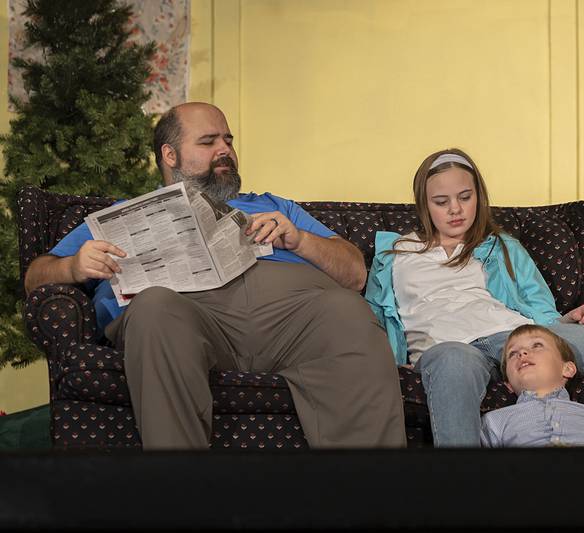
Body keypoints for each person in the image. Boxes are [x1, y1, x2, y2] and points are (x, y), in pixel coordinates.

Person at [24, 102, 406, 449]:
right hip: (188, 318)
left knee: (346, 311)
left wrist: (300, 239)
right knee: (155, 308)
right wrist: (72, 267)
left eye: (228, 140)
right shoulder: (125, 216)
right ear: (170, 155)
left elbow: (355, 274)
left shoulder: (275, 207)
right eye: (208, 142)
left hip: (292, 323)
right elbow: (35, 277)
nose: (224, 149)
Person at [365, 148, 584, 447]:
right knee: (454, 363)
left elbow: (539, 310)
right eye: (441, 202)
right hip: (448, 347)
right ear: (424, 205)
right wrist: (387, 357)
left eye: (465, 197)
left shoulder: (501, 246)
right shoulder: (395, 252)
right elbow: (373, 317)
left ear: (478, 196)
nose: (455, 209)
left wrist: (567, 321)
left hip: (514, 334)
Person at [480, 324, 584, 447]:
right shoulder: (493, 422)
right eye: (512, 354)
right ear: (509, 384)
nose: (522, 353)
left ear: (567, 369)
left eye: (537, 345)